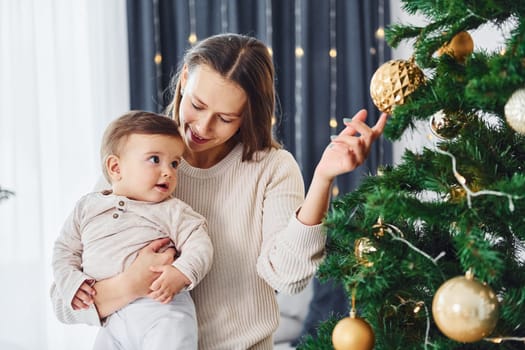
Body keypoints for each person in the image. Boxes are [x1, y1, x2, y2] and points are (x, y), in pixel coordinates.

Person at [50, 33, 387, 349]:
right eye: (196, 105)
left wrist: (324, 178)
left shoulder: (272, 168)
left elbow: (287, 278)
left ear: (247, 115)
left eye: (225, 118)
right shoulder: (137, 157)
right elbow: (64, 304)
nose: (202, 127)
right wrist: (133, 283)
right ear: (184, 79)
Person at [50, 111, 213, 349]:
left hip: (161, 310)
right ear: (116, 167)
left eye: (174, 163)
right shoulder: (87, 207)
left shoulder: (172, 210)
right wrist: (72, 283)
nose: (168, 171)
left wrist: (181, 272)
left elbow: (200, 245)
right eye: (155, 159)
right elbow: (64, 251)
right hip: (112, 318)